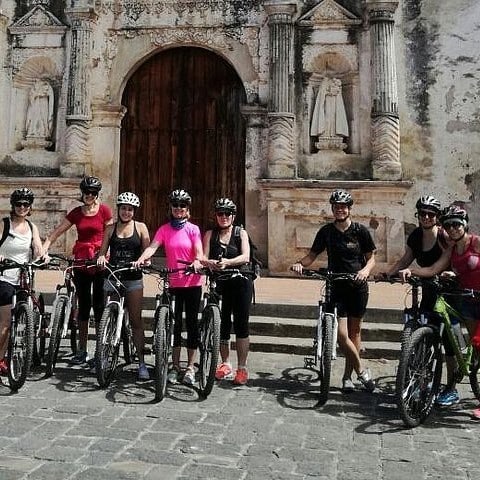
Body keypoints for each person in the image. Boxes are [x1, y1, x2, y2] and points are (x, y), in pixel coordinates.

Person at [291, 189, 376, 393]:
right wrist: (299, 264)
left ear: (349, 209)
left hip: (357, 287)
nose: (340, 210)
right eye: (337, 207)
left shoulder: (360, 231)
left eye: (343, 206)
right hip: (335, 286)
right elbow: (312, 256)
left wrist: (364, 271)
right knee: (340, 335)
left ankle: (347, 377)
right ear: (332, 209)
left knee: (355, 333)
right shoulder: (326, 232)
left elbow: (371, 258)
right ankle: (362, 371)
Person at [399, 204, 480, 417]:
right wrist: (411, 270)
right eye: (448, 225)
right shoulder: (452, 249)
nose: (452, 229)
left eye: (456, 224)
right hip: (466, 300)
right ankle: (452, 380)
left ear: (464, 225)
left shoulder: (476, 242)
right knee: (473, 344)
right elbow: (434, 269)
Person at [385, 195, 458, 406]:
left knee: (448, 341)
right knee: (424, 336)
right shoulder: (416, 235)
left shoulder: (444, 237)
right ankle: (420, 381)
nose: (426, 217)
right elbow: (406, 259)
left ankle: (451, 387)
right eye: (422, 213)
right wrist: (389, 274)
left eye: (431, 214)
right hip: (428, 290)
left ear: (437, 217)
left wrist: (448, 275)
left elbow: (449, 263)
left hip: (448, 293)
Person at [133, 189, 203, 385]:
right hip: (173, 282)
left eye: (182, 206)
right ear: (171, 208)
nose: (178, 209)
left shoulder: (193, 229)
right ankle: (175, 366)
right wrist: (141, 258)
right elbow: (153, 246)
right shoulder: (164, 229)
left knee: (191, 324)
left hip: (192, 282)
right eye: (175, 205)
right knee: (175, 326)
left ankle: (190, 366)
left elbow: (198, 250)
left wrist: (197, 261)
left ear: (187, 209)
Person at [42, 176, 113, 366]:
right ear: (82, 193)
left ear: (97, 194)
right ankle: (82, 349)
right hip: (82, 259)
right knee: (83, 305)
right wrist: (45, 247)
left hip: (99, 260)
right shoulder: (76, 212)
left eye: (93, 193)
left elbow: (109, 234)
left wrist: (105, 254)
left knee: (99, 305)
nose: (89, 196)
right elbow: (58, 231)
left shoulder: (105, 211)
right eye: (86, 192)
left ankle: (99, 348)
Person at [96, 192, 151, 381]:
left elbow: (147, 252)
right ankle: (103, 356)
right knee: (107, 317)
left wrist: (143, 262)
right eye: (123, 208)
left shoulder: (141, 228)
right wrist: (102, 258)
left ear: (134, 211)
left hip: (133, 278)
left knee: (136, 321)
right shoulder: (110, 229)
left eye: (130, 209)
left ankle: (141, 362)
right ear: (118, 209)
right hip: (112, 275)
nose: (126, 212)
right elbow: (102, 252)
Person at [201, 198, 253, 386]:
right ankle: (225, 363)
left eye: (227, 214)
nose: (223, 217)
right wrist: (210, 263)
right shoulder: (210, 234)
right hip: (219, 282)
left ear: (233, 216)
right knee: (221, 325)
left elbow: (245, 256)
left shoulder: (241, 233)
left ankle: (242, 367)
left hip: (240, 281)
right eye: (220, 213)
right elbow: (204, 256)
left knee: (241, 324)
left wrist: (227, 263)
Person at [0, 188, 43, 374]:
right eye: (18, 204)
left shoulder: (32, 227)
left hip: (23, 277)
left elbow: (38, 248)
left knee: (24, 316)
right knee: (6, 323)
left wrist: (43, 257)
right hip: (4, 277)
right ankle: (0, 358)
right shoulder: (4, 224)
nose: (22, 207)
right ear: (13, 206)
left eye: (26, 204)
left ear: (30, 207)